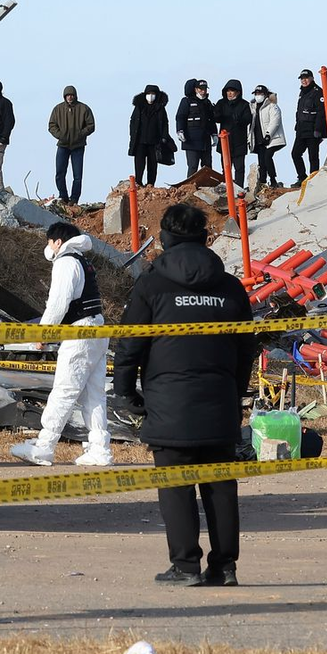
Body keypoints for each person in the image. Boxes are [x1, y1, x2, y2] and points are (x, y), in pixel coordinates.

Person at [112, 202, 256, 587]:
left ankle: (186, 566)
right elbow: (247, 349)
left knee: (176, 486)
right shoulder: (230, 287)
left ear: (165, 237)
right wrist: (235, 392)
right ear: (204, 238)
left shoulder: (152, 284)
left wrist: (125, 392)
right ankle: (225, 567)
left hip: (169, 403)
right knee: (221, 486)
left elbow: (129, 345)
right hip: (219, 401)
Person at [11, 222, 112, 467]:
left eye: (48, 242)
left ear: (57, 242)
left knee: (64, 390)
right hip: (97, 330)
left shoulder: (65, 262)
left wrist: (43, 334)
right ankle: (100, 449)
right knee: (94, 394)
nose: (48, 248)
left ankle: (44, 446)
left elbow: (57, 304)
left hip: (80, 334)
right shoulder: (84, 261)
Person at [47, 85, 96, 205]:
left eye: (72, 95)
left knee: (77, 175)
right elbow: (51, 125)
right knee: (59, 173)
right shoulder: (57, 109)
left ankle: (74, 200)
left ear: (75, 95)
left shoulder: (84, 108)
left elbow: (91, 125)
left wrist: (80, 134)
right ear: (64, 96)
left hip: (78, 146)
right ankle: (63, 197)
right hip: (62, 145)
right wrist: (60, 135)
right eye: (68, 95)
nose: (70, 97)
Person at [128, 84, 170, 187]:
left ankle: (151, 183)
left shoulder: (160, 108)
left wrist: (164, 138)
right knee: (139, 163)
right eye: (148, 94)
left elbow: (165, 123)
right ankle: (138, 182)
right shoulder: (139, 107)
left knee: (153, 164)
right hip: (140, 141)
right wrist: (133, 137)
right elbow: (133, 122)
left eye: (153, 94)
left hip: (155, 142)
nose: (151, 96)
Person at [291, 68, 327, 185]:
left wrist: (318, 129)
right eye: (302, 79)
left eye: (306, 78)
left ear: (311, 78)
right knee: (295, 153)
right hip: (302, 129)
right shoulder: (302, 92)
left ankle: (314, 180)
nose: (304, 81)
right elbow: (299, 111)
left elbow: (321, 112)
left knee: (313, 156)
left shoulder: (318, 92)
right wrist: (297, 125)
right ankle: (302, 177)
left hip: (313, 129)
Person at [213, 80, 251, 189]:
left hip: (239, 141)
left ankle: (239, 190)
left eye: (232, 91)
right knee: (225, 168)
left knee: (239, 168)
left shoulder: (244, 104)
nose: (229, 93)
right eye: (227, 91)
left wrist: (239, 120)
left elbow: (248, 119)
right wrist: (216, 114)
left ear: (238, 92)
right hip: (225, 142)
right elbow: (217, 118)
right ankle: (227, 189)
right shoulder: (221, 103)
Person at [175, 79, 217, 176]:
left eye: (205, 89)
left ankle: (207, 187)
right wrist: (180, 130)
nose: (203, 91)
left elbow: (211, 120)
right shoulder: (186, 101)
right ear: (195, 89)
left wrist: (214, 134)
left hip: (205, 141)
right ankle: (190, 188)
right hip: (191, 141)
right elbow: (180, 117)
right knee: (193, 166)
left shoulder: (207, 103)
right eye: (200, 89)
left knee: (207, 166)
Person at [248, 85, 286, 189]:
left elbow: (275, 121)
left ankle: (273, 180)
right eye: (256, 94)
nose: (258, 96)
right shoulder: (253, 107)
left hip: (272, 139)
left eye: (260, 94)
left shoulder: (272, 106)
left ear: (265, 95)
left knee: (267, 157)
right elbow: (251, 125)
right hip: (259, 139)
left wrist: (268, 135)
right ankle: (262, 181)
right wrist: (249, 139)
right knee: (261, 160)